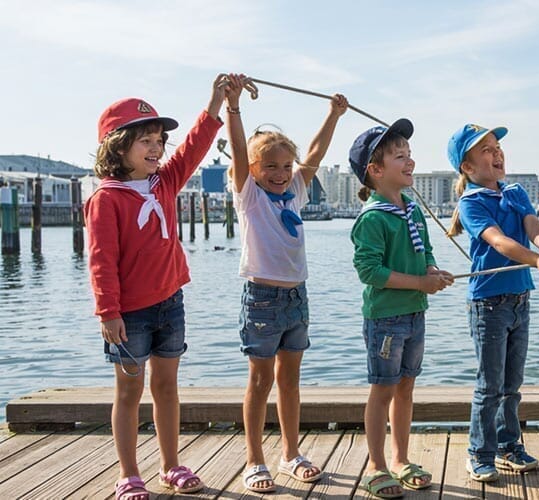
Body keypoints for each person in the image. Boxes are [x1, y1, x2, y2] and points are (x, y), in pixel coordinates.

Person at [86, 75, 228, 499]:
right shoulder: (106, 199)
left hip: (171, 302)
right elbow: (101, 261)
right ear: (117, 146)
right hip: (129, 314)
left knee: (167, 387)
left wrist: (216, 101)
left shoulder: (163, 183)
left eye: (158, 140)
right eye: (144, 140)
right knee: (129, 391)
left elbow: (194, 148)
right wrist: (107, 311)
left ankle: (171, 465)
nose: (156, 148)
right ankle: (129, 474)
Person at [224, 74, 349, 493]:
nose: (280, 173)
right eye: (270, 167)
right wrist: (234, 107)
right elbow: (240, 150)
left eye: (285, 166)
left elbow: (315, 152)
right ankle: (254, 459)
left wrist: (333, 114)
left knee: (290, 381)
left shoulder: (295, 191)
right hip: (261, 298)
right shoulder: (250, 195)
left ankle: (291, 453)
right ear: (255, 170)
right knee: (259, 382)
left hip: (297, 295)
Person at [446, 124, 539, 481]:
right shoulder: (471, 202)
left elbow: (532, 225)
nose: (496, 153)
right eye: (485, 150)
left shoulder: (514, 192)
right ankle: (479, 452)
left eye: (497, 146)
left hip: (519, 300)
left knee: (512, 384)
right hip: (489, 305)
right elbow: (499, 242)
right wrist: (538, 261)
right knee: (490, 385)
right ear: (467, 168)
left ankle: (508, 445)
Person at [350, 119, 454, 498]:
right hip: (386, 318)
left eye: (409, 155)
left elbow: (424, 250)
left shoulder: (411, 208)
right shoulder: (373, 218)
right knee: (382, 389)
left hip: (415, 312)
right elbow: (369, 272)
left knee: (406, 388)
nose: (410, 161)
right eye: (399, 157)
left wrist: (431, 270)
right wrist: (420, 283)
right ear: (375, 171)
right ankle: (375, 466)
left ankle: (400, 458)